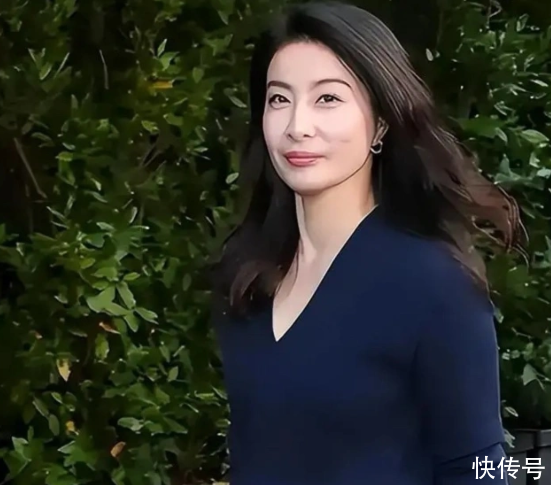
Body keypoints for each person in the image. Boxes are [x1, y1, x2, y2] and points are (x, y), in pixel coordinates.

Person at [211, 1, 525, 484]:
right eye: (278, 99)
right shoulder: (248, 276)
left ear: (380, 122)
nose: (297, 125)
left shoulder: (433, 285)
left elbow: (475, 469)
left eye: (327, 98)